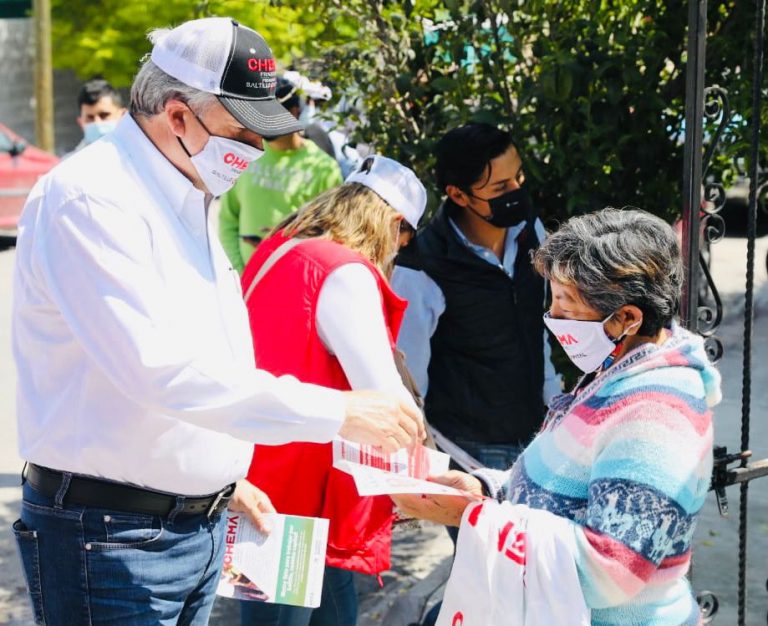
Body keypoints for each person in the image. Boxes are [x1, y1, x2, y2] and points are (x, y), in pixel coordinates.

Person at [11, 17, 422, 626]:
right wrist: (341, 412)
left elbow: (214, 353)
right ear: (178, 115)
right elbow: (162, 372)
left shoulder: (187, 190)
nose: (254, 153)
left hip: (188, 525)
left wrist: (226, 475)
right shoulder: (94, 198)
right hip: (111, 536)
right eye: (241, 133)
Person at [394, 208, 721, 625]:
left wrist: (472, 517)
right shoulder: (615, 371)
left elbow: (613, 568)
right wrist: (483, 487)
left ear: (626, 318)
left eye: (567, 303)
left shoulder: (656, 415)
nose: (553, 317)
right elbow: (560, 483)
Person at [238, 154, 426, 626]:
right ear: (396, 223)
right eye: (404, 239)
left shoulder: (279, 247)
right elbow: (384, 400)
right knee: (294, 617)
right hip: (304, 491)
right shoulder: (345, 271)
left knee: (284, 613)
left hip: (262, 471)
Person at [393, 122, 561, 472]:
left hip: (538, 435)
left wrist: (555, 403)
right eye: (501, 186)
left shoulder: (532, 232)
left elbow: (540, 324)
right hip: (469, 449)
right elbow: (411, 378)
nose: (516, 190)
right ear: (458, 195)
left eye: (518, 178)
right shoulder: (423, 266)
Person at [219, 76, 343, 273]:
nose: (264, 120)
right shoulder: (247, 155)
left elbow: (331, 238)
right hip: (243, 285)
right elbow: (228, 219)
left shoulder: (324, 169)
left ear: (295, 111)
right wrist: (240, 275)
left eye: (272, 112)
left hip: (292, 285)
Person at [73, 77, 127, 150]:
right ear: (80, 122)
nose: (97, 122)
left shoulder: (141, 156)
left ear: (123, 116)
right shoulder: (72, 160)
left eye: (104, 115)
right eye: (90, 117)